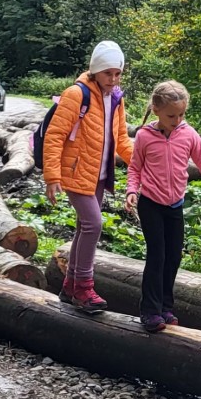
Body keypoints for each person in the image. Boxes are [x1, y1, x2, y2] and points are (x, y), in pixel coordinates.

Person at [43, 40, 134, 314]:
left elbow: (121, 139)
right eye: (108, 73)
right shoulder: (76, 94)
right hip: (75, 172)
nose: (113, 79)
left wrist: (144, 163)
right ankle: (84, 286)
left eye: (117, 73)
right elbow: (55, 135)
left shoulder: (116, 98)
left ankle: (71, 285)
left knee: (85, 227)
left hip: (98, 175)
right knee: (94, 224)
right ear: (95, 70)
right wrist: (52, 176)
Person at [126, 79, 201, 331]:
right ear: (156, 110)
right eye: (171, 116)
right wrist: (132, 190)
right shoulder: (144, 136)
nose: (177, 120)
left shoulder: (189, 134)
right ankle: (150, 311)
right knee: (157, 255)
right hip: (151, 203)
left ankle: (166, 307)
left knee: (173, 256)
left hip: (175, 204)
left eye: (181, 115)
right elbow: (135, 168)